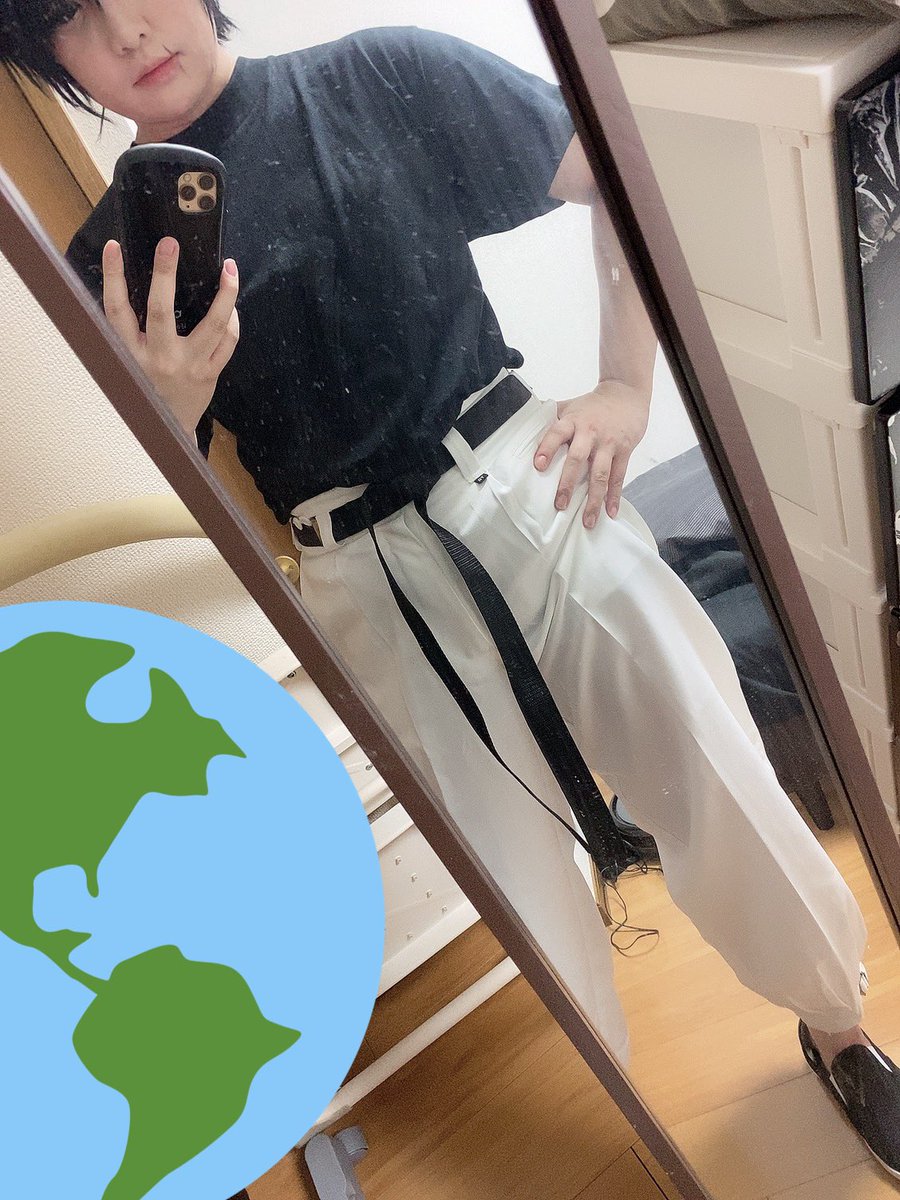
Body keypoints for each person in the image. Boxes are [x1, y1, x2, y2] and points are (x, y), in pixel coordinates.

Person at [4, 0, 900, 1174]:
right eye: (69, 13)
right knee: (516, 885)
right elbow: (180, 491)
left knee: (716, 763)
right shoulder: (110, 265)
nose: (126, 28)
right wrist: (171, 405)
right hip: (357, 573)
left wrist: (627, 388)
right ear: (41, 53)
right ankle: (628, 1126)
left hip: (531, 480)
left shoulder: (385, 74)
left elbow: (609, 172)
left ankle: (839, 1028)